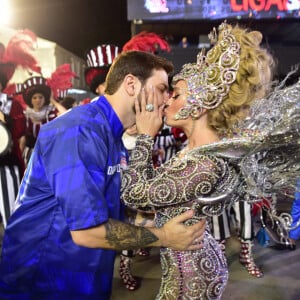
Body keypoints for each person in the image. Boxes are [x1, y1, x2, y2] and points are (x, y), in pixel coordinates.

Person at [0, 50, 206, 300]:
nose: (167, 98)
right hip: (43, 278)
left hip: (85, 274)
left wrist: (159, 221)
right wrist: (165, 237)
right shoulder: (78, 130)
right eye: (162, 88)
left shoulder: (112, 135)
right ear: (131, 84)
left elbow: (110, 209)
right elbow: (87, 230)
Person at [121, 21, 275, 299]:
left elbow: (135, 195)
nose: (166, 101)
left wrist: (145, 137)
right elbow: (156, 202)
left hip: (191, 277)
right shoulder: (195, 151)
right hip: (189, 261)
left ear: (201, 103)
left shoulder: (206, 164)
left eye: (175, 94)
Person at [0, 29, 41, 228]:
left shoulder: (10, 104)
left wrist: (4, 119)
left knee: (11, 218)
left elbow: (17, 133)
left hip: (5, 166)